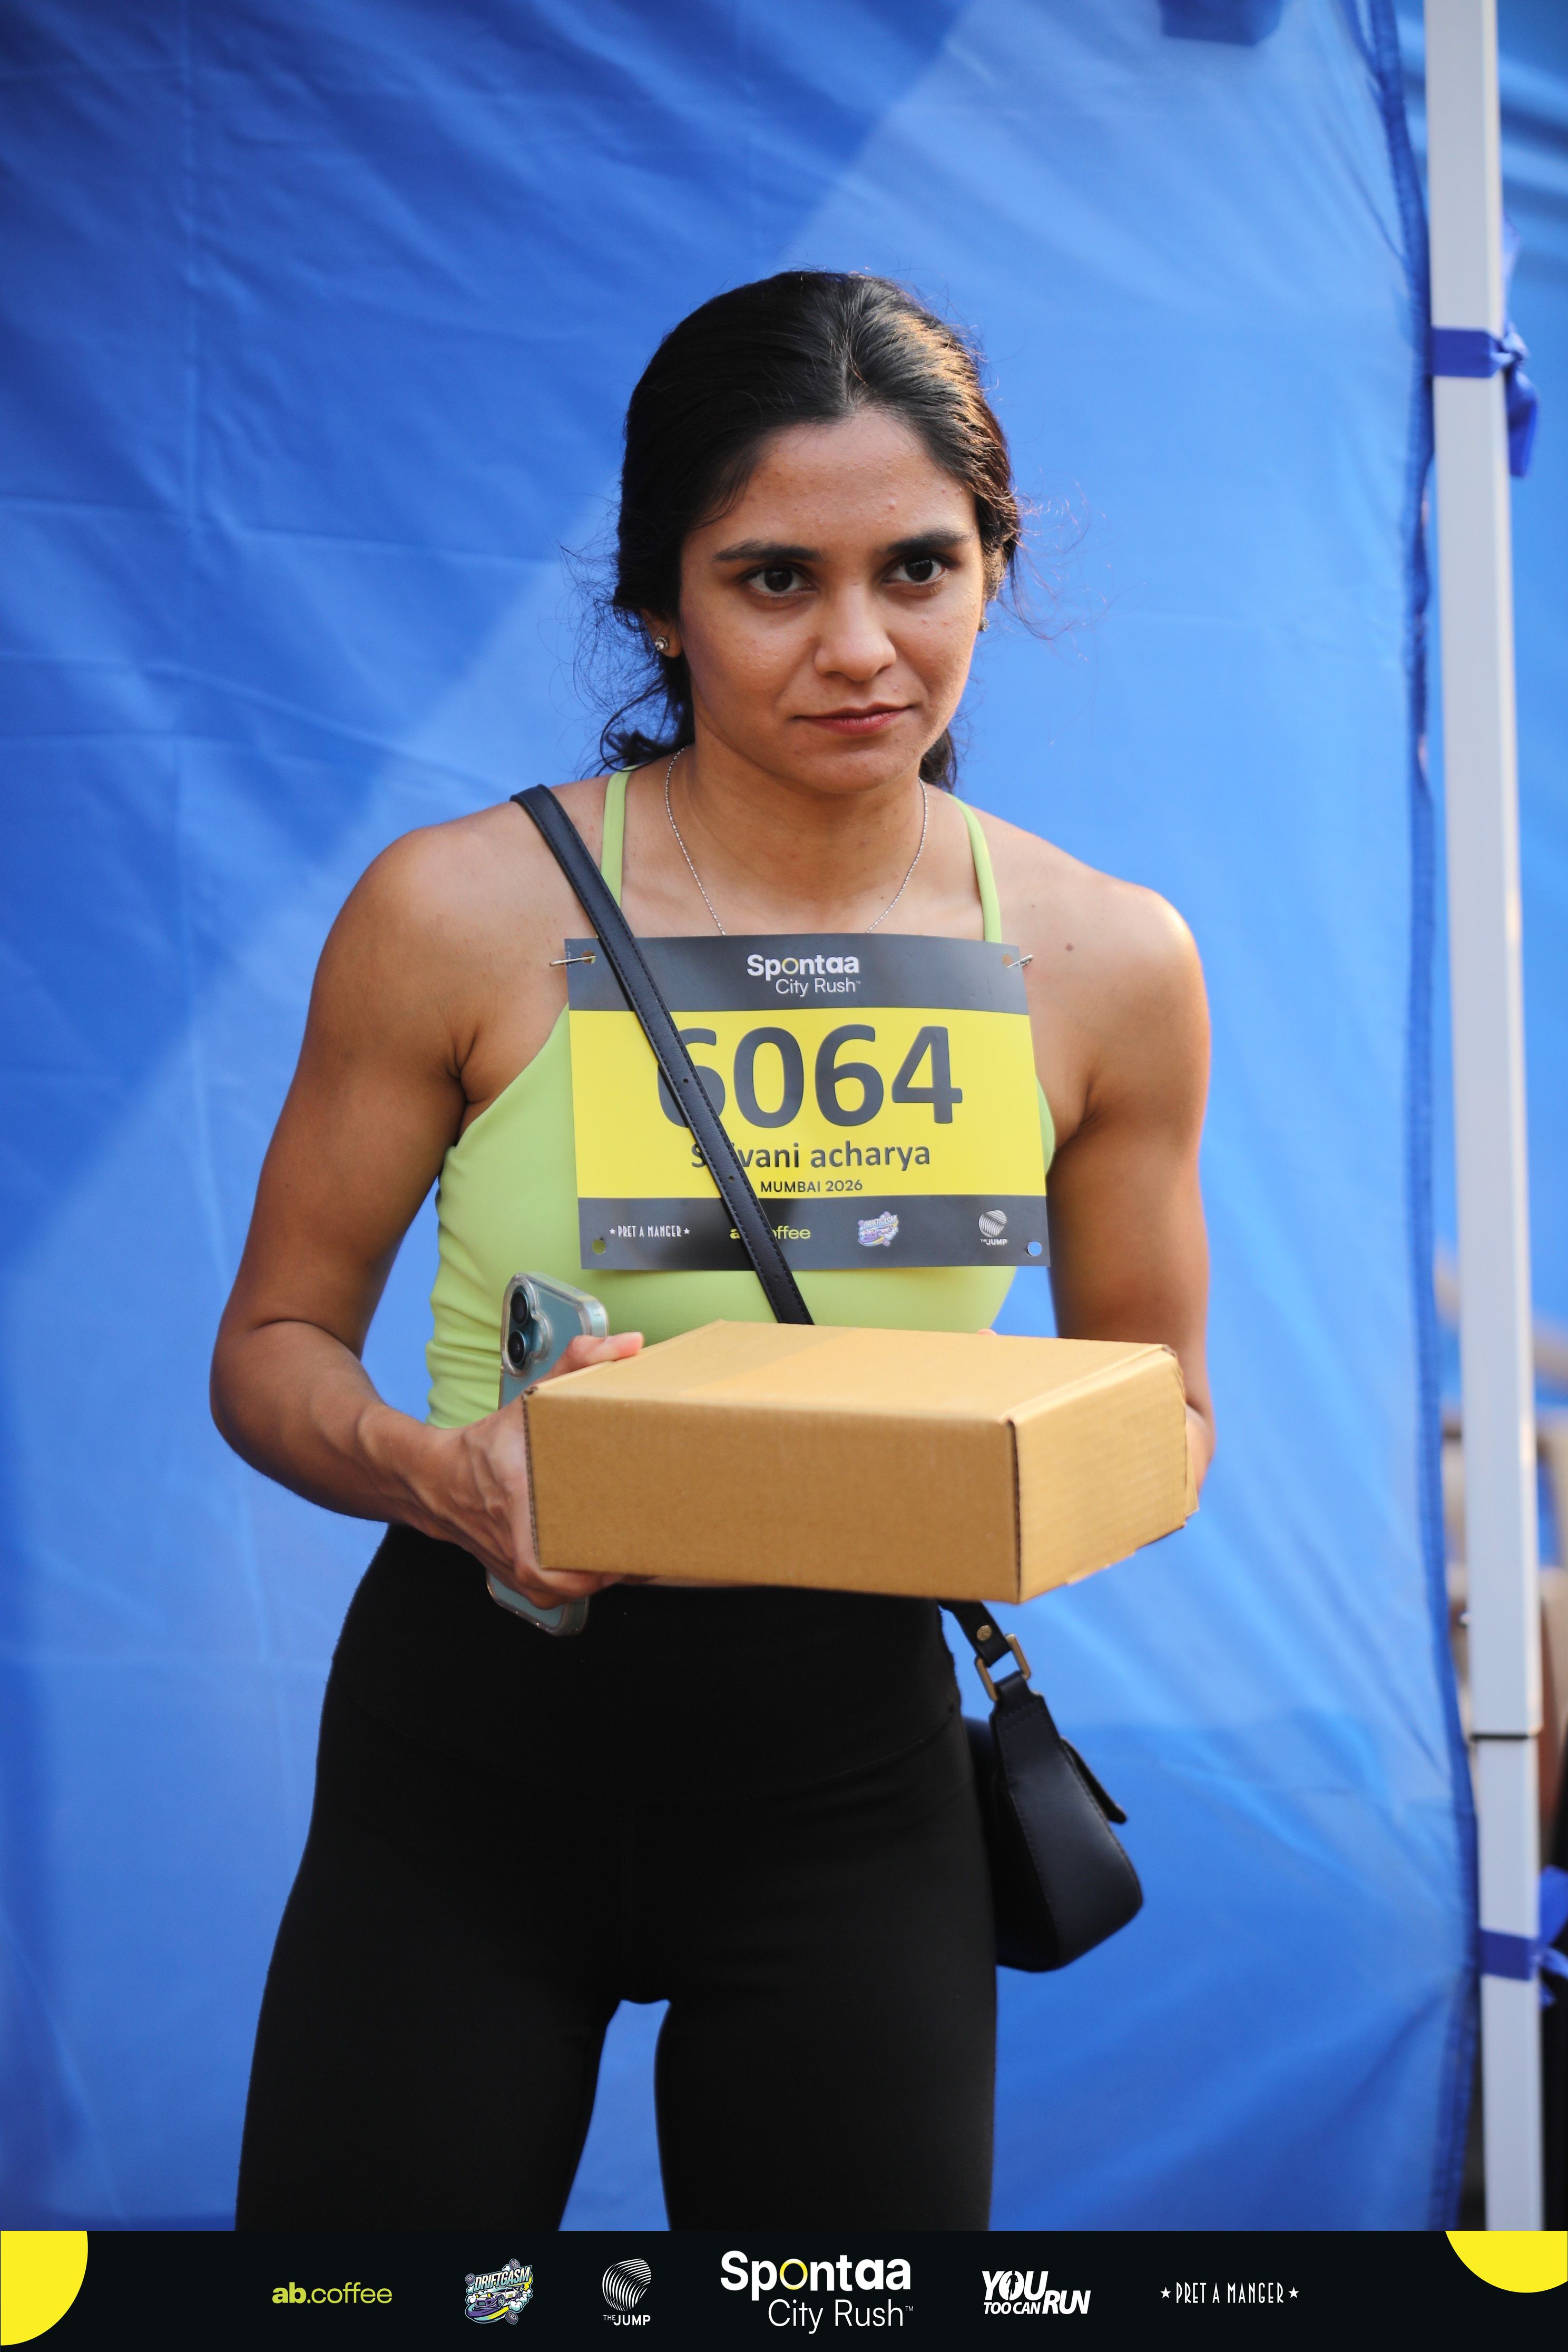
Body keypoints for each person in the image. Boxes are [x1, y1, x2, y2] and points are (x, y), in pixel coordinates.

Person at [214, 271, 1213, 2230]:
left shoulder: (1109, 963)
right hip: (467, 1760)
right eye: (773, 580)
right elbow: (269, 1346)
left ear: (995, 566)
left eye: (918, 569)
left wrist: (1039, 1475)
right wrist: (439, 1471)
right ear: (660, 602)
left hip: (850, 1787)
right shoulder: (456, 914)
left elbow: (1166, 1412)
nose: (859, 647)